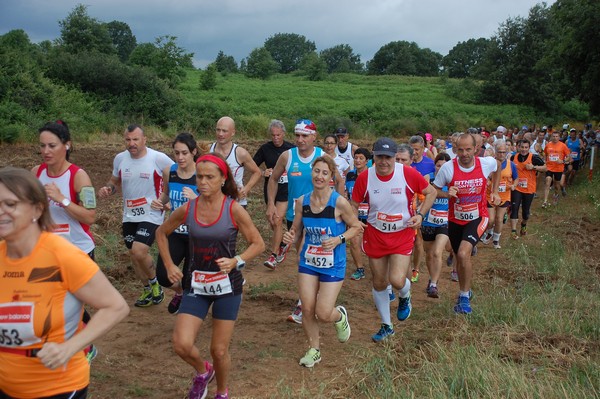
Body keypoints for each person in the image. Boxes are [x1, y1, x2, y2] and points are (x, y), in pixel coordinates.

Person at [0, 167, 129, 399]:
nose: (2, 212)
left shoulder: (62, 255)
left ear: (37, 209)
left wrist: (71, 347)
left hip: (57, 387)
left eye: (11, 204)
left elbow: (116, 306)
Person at [156, 154, 264, 399]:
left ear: (223, 179)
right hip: (197, 284)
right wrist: (169, 264)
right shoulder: (188, 208)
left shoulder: (233, 209)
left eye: (209, 177)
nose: (202, 182)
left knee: (218, 349)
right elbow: (161, 233)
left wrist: (237, 260)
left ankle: (222, 392)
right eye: (199, 177)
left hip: (227, 287)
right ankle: (203, 371)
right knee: (181, 344)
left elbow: (258, 244)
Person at [351, 138, 436, 342]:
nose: (384, 162)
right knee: (379, 281)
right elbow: (353, 203)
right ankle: (386, 326)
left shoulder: (406, 173)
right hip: (376, 234)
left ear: (393, 158)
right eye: (379, 156)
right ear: (374, 156)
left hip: (402, 233)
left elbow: (431, 192)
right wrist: (354, 221)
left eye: (388, 157)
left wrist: (421, 215)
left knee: (397, 280)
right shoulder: (365, 177)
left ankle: (405, 295)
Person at [283, 156, 362, 367]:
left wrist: (338, 239)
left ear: (331, 177)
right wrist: (290, 236)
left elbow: (356, 227)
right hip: (308, 262)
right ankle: (314, 350)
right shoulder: (302, 201)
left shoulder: (339, 202)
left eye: (324, 173)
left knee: (323, 312)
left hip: (333, 263)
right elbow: (296, 229)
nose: (319, 176)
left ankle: (339, 317)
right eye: (316, 171)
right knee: (307, 309)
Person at [32, 120, 99, 361]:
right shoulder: (36, 174)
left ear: (66, 145)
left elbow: (90, 216)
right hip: (49, 251)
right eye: (42, 146)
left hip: (78, 251)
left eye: (52, 145)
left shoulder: (78, 176)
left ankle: (86, 346)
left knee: (72, 305)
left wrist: (62, 199)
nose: (46, 151)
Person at [267, 119, 344, 324]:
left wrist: (339, 208)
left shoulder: (322, 156)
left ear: (313, 137)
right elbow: (273, 179)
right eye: (297, 135)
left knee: (306, 255)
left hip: (319, 217)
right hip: (295, 216)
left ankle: (304, 304)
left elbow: (339, 181)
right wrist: (271, 205)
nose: (300, 140)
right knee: (302, 256)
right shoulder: (287, 156)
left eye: (304, 136)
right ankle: (309, 298)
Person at [98, 124, 174, 307]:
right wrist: (109, 188)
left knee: (140, 250)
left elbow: (178, 175)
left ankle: (155, 284)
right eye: (128, 140)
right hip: (129, 214)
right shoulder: (120, 159)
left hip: (151, 212)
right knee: (133, 254)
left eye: (135, 139)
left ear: (144, 140)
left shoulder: (158, 158)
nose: (131, 143)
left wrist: (167, 199)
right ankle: (147, 289)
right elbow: (115, 180)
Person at [432, 133, 501, 314]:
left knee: (463, 253)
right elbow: (434, 190)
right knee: (460, 257)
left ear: (476, 149)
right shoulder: (448, 168)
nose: (464, 153)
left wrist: (494, 191)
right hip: (455, 219)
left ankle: (463, 298)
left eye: (468, 149)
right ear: (456, 149)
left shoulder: (485, 163)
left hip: (479, 216)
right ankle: (466, 291)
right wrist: (447, 194)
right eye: (460, 150)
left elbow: (498, 166)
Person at [151, 133, 199, 314]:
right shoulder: (169, 171)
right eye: (177, 153)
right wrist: (160, 202)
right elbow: (166, 193)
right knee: (163, 276)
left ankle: (189, 310)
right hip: (175, 232)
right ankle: (179, 294)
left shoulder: (202, 173)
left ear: (193, 152)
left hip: (197, 234)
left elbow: (215, 203)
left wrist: (197, 199)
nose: (180, 157)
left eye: (184, 153)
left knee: (189, 279)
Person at [252, 120, 295, 269]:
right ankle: (283, 243)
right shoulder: (265, 149)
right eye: (273, 135)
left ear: (283, 133)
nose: (276, 138)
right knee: (272, 219)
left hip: (286, 190)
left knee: (277, 220)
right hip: (270, 189)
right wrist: (264, 172)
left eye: (278, 134)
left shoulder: (291, 149)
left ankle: (274, 255)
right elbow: (252, 165)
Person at [209, 116, 262, 209]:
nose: (220, 134)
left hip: (236, 203)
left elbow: (257, 172)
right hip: (213, 201)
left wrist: (246, 189)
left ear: (233, 132)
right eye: (218, 130)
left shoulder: (240, 153)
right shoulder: (208, 149)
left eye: (224, 131)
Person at [421, 153, 451, 298]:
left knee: (438, 252)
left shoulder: (452, 180)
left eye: (444, 166)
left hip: (444, 222)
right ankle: (431, 277)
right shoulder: (428, 178)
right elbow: (422, 196)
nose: (441, 168)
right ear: (435, 165)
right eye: (438, 165)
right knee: (428, 253)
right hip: (428, 222)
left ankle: (434, 284)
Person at [480, 141, 518, 249]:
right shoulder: (490, 163)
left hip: (504, 195)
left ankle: (496, 240)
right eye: (499, 152)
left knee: (499, 219)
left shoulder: (511, 164)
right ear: (495, 152)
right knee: (490, 219)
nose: (501, 154)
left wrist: (514, 185)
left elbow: (516, 178)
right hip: (490, 195)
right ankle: (489, 232)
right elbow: (483, 175)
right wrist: (487, 179)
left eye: (504, 152)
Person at [409, 135, 436, 283]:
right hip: (407, 205)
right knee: (411, 239)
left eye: (417, 149)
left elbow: (433, 187)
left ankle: (416, 268)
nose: (414, 152)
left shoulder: (429, 163)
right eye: (412, 149)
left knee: (418, 239)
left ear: (422, 149)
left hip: (423, 206)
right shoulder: (405, 162)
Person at [510, 139, 546, 239]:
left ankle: (523, 225)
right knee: (515, 208)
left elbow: (545, 168)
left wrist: (534, 167)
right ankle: (513, 231)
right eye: (522, 147)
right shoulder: (514, 157)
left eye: (526, 147)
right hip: (517, 188)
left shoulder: (534, 157)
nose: (524, 149)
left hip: (529, 189)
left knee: (525, 212)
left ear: (529, 148)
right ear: (518, 147)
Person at [345, 148, 371, 281]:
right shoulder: (350, 175)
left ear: (367, 160)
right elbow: (347, 195)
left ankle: (378, 267)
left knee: (372, 245)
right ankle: (360, 269)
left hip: (371, 217)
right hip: (354, 215)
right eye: (356, 158)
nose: (358, 160)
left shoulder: (372, 175)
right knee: (354, 242)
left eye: (361, 158)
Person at [542, 130, 571, 207]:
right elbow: (545, 154)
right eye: (553, 136)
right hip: (549, 167)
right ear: (551, 137)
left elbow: (568, 156)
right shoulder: (548, 145)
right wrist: (545, 162)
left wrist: (563, 161)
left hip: (558, 168)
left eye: (556, 136)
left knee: (556, 185)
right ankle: (545, 201)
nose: (555, 138)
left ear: (559, 137)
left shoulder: (563, 145)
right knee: (548, 181)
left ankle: (556, 195)